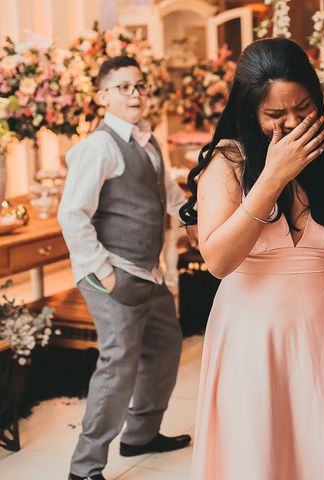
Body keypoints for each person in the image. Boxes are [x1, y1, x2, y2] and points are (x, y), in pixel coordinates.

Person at [180, 38, 324, 480]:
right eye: (275, 115)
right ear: (251, 111)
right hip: (251, 335)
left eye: (303, 108)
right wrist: (273, 177)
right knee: (257, 454)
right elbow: (218, 261)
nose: (292, 123)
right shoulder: (228, 163)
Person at [58, 56, 191, 480]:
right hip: (112, 271)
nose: (135, 94)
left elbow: (167, 193)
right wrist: (105, 271)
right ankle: (85, 467)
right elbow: (71, 215)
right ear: (103, 96)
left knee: (166, 347)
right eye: (123, 87)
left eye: (140, 86)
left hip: (148, 272)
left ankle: (141, 435)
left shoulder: (150, 142)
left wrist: (194, 217)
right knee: (118, 364)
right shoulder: (96, 147)